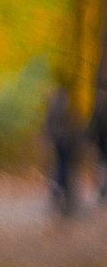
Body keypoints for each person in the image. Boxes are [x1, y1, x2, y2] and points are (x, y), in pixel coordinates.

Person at [43, 80, 84, 217]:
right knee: (63, 168)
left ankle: (59, 191)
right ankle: (58, 189)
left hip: (62, 142)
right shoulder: (63, 106)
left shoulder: (55, 106)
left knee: (62, 167)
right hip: (64, 142)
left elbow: (49, 125)